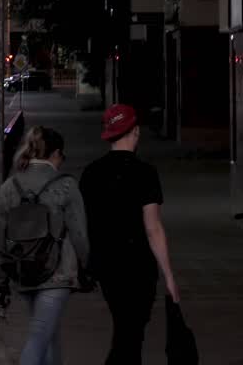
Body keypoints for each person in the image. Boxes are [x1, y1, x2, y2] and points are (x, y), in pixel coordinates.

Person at [81, 103, 179, 364]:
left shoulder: (91, 173)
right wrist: (168, 275)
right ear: (135, 131)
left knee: (127, 330)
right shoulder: (145, 173)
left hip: (106, 265)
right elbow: (153, 228)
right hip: (138, 265)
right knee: (131, 332)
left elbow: (84, 223)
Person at [0, 126, 90, 365]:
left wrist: (1, 282)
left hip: (23, 272)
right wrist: (87, 267)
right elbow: (79, 233)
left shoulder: (9, 187)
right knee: (39, 337)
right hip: (57, 274)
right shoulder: (66, 185)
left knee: (49, 335)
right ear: (56, 154)